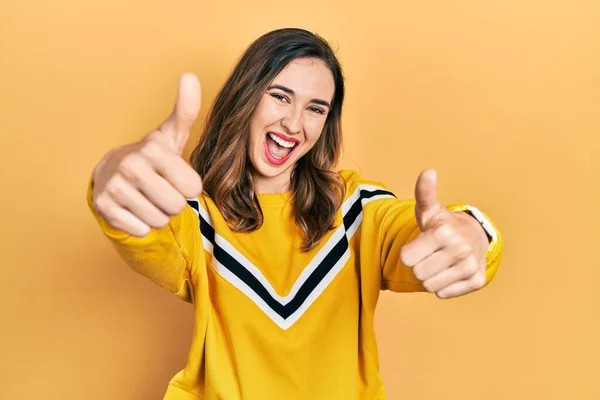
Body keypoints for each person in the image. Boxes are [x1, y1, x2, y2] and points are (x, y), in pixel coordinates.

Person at [87, 28, 503, 400]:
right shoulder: (195, 215)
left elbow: (419, 230)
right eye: (280, 96)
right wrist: (110, 173)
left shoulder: (355, 209)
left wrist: (472, 232)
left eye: (316, 108)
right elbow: (135, 223)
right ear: (245, 98)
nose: (293, 123)